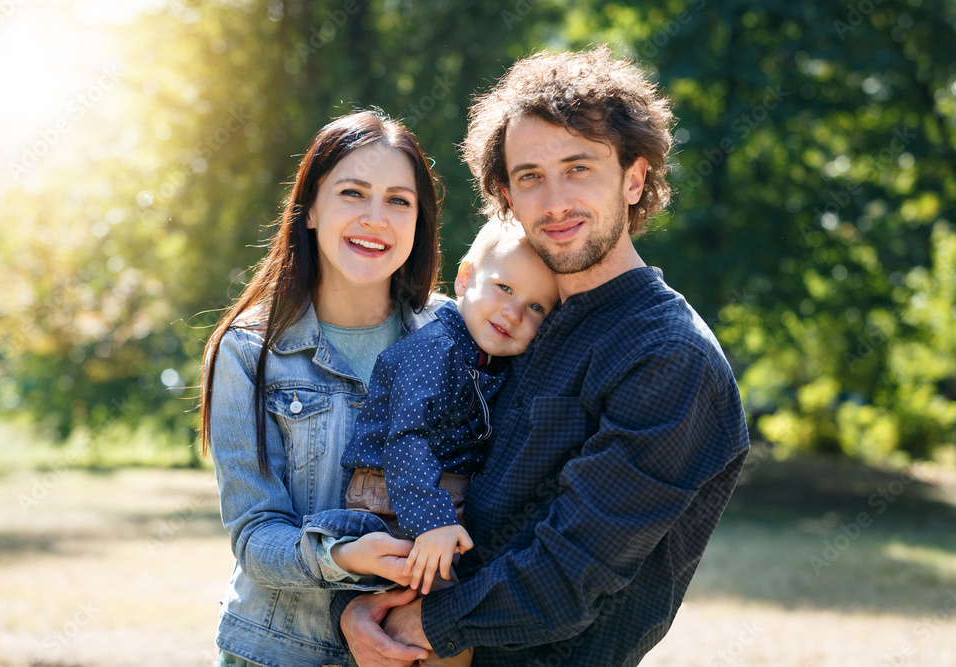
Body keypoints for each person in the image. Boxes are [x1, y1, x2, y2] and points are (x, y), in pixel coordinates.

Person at [338, 46, 752, 667]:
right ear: (507, 193)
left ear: (634, 178)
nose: (554, 201)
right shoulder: (520, 329)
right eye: (530, 175)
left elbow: (572, 575)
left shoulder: (668, 356)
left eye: (579, 167)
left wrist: (409, 622)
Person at [199, 109, 446, 667]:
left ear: (420, 220)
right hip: (276, 653)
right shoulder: (246, 351)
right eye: (353, 193)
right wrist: (346, 557)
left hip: (409, 649)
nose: (375, 219)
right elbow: (255, 535)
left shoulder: (451, 336)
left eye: (399, 201)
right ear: (310, 208)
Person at [339, 216, 559, 602]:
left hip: (436, 498)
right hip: (398, 499)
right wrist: (432, 521)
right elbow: (407, 437)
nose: (513, 312)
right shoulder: (436, 350)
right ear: (465, 279)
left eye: (537, 307)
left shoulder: (491, 361)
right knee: (441, 624)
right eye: (504, 287)